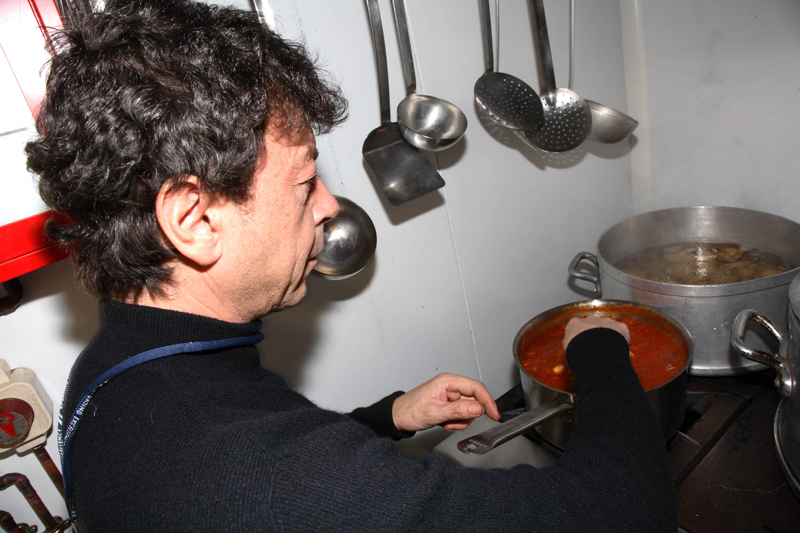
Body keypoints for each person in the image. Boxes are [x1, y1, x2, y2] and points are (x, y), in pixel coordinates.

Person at [26, 0, 678, 531]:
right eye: (305, 182)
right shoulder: (278, 482)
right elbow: (624, 511)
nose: (329, 205)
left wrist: (385, 418)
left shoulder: (111, 373)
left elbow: (257, 452)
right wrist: (596, 346)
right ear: (194, 219)